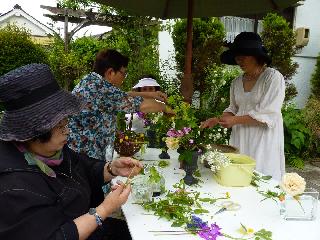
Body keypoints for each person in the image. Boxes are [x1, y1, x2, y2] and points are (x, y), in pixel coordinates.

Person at [0, 64, 142, 240]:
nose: (67, 131)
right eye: (60, 126)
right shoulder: (13, 185)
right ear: (33, 130)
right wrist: (104, 209)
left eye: (66, 123)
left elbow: (82, 167)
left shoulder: (50, 151)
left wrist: (112, 169)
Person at [201, 32, 285, 180]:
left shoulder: (272, 78)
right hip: (241, 137)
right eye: (237, 56)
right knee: (238, 176)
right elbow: (233, 109)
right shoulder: (236, 82)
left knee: (261, 177)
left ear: (256, 56)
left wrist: (234, 121)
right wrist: (216, 120)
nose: (239, 60)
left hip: (263, 138)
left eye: (243, 56)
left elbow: (268, 114)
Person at [68, 49, 173, 161]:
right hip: (85, 159)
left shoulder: (91, 82)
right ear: (110, 72)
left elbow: (123, 95)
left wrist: (151, 95)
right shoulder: (102, 89)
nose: (123, 79)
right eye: (123, 74)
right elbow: (142, 105)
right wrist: (166, 108)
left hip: (78, 154)